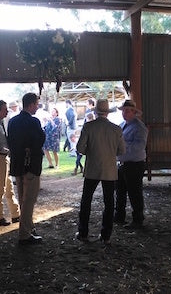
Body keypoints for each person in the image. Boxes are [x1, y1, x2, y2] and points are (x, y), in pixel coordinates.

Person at [75, 99, 125, 245]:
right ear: (107, 113)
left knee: (86, 201)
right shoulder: (116, 129)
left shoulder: (88, 127)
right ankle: (106, 235)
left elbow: (80, 148)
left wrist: (90, 151)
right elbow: (122, 150)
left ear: (96, 112)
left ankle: (83, 232)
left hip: (92, 169)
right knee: (109, 203)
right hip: (109, 169)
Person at [7, 93, 45, 245]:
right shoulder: (33, 121)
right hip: (31, 165)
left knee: (23, 198)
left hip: (18, 164)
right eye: (36, 104)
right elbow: (40, 140)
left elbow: (10, 141)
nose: (37, 107)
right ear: (30, 105)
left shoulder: (13, 121)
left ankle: (28, 226)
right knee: (29, 200)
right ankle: (24, 233)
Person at [115, 100, 148, 230]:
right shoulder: (123, 125)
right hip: (123, 163)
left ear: (134, 112)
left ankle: (138, 219)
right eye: (123, 110)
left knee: (134, 192)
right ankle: (119, 215)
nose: (125, 113)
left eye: (128, 110)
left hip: (134, 164)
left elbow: (139, 146)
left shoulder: (140, 127)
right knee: (120, 191)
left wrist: (122, 147)